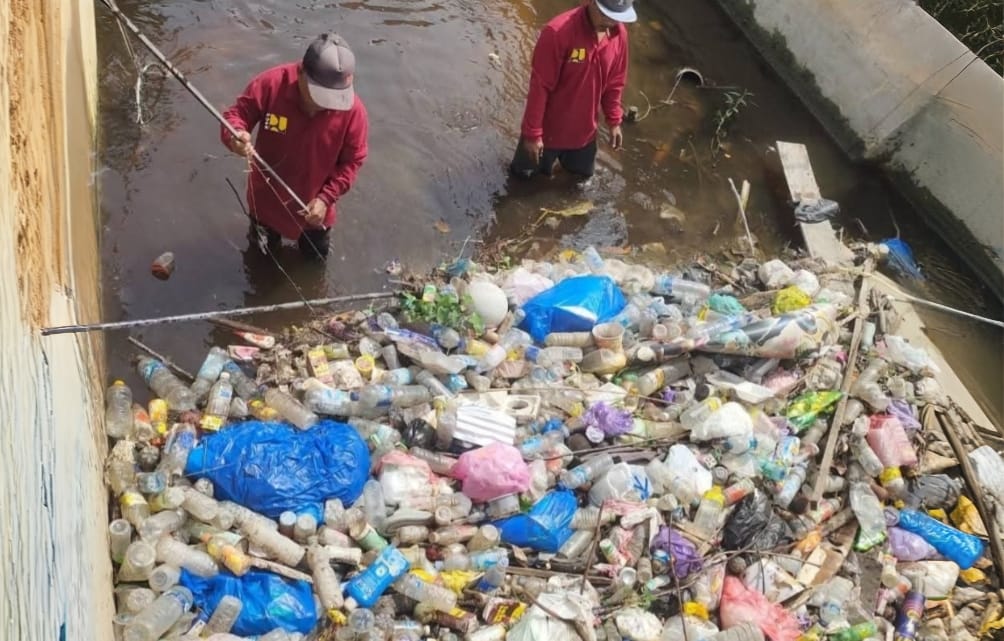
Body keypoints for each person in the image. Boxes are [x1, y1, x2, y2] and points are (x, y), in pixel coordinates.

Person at [222, 33, 368, 260]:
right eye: (319, 96)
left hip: (316, 211)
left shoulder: (354, 111)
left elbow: (353, 161)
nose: (324, 105)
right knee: (261, 261)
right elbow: (236, 114)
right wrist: (236, 137)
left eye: (333, 98)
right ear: (301, 73)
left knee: (314, 263)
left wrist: (326, 198)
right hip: (266, 201)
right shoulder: (271, 84)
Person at [511, 0, 634, 180]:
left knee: (578, 185)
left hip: (584, 135)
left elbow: (615, 82)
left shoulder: (618, 34)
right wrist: (532, 134)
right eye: (605, 14)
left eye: (615, 17)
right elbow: (540, 87)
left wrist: (614, 120)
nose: (609, 22)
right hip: (546, 134)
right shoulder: (557, 32)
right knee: (520, 183)